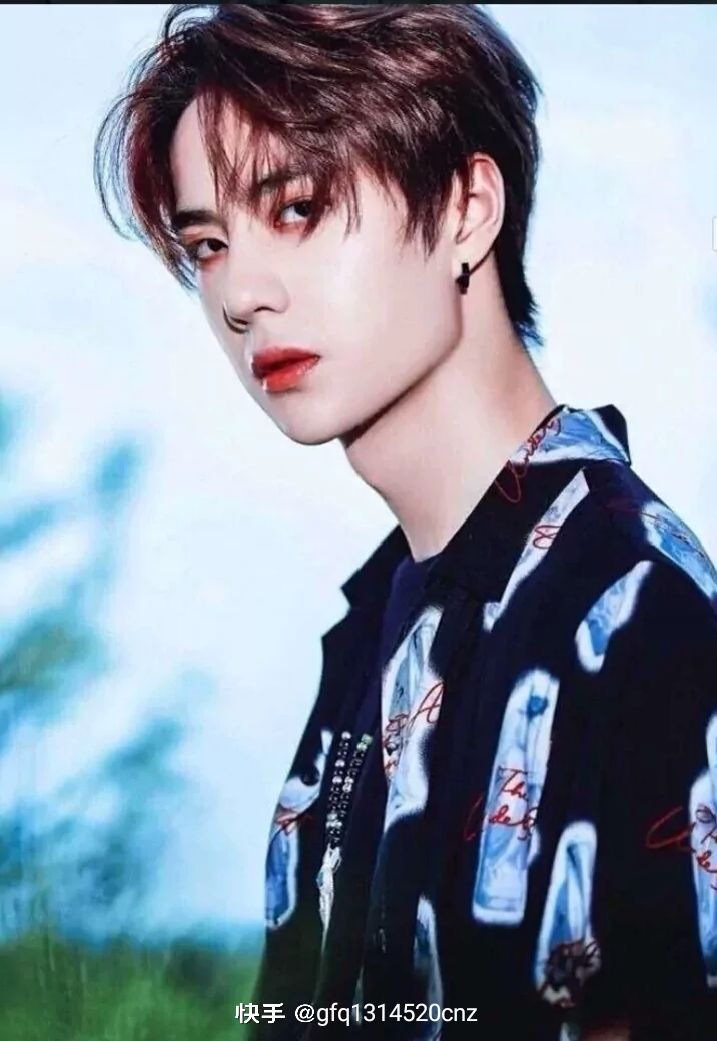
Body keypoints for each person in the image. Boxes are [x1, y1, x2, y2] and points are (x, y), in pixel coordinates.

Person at [94, 4, 717, 1038]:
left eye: (297, 208)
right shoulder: (376, 629)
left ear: (467, 210)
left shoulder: (640, 618)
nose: (240, 293)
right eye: (208, 243)